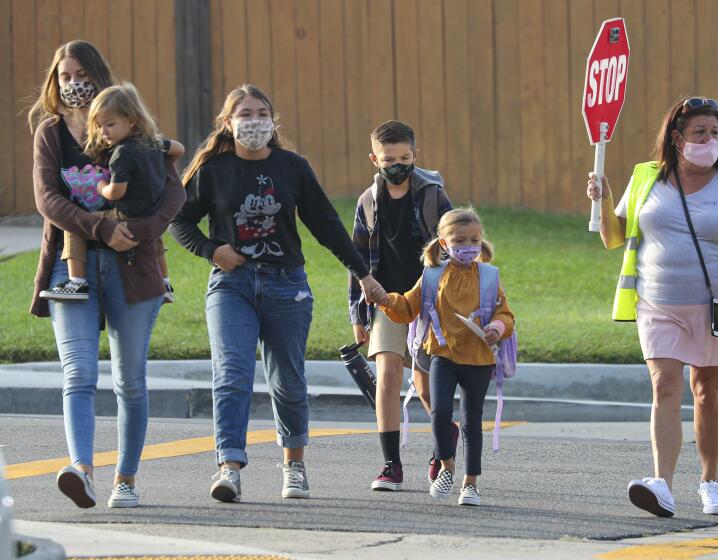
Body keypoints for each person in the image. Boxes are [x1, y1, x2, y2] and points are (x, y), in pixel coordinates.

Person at [170, 84, 387, 503]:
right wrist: (212, 250)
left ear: (273, 120)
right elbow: (179, 220)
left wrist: (364, 275)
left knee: (287, 381)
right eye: (245, 115)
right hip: (231, 285)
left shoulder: (293, 167)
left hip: (286, 284)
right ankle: (229, 467)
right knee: (231, 375)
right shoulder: (213, 169)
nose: (254, 122)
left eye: (261, 113)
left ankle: (294, 466)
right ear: (228, 123)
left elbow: (325, 224)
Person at [587, 97, 718, 518]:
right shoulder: (645, 179)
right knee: (664, 386)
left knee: (707, 392)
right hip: (657, 302)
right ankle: (662, 485)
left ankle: (710, 481)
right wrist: (604, 197)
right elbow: (613, 237)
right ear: (677, 138)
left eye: (714, 132)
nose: (709, 140)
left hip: (715, 306)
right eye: (699, 133)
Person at [28, 40, 186, 509]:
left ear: (99, 75)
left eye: (81, 74)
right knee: (77, 373)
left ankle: (126, 479)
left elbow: (173, 194)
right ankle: (81, 469)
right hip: (70, 263)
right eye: (64, 76)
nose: (74, 84)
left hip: (132, 265)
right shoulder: (50, 135)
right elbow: (47, 200)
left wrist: (134, 232)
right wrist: (100, 228)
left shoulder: (131, 129)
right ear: (55, 84)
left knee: (129, 379)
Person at [378, 208, 515, 506]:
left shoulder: (490, 276)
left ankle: (471, 483)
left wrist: (496, 327)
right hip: (442, 354)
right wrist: (385, 299)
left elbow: (506, 314)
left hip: (479, 359)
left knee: (472, 421)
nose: (468, 246)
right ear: (444, 243)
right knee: (439, 412)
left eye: (474, 240)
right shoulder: (433, 275)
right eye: (460, 240)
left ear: (481, 241)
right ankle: (447, 467)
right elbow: (408, 307)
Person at [349, 120, 453, 491]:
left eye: (404, 158)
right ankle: (391, 464)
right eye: (388, 159)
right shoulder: (367, 202)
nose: (397, 166)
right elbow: (357, 258)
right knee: (389, 373)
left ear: (415, 155)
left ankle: (445, 444)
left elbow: (456, 243)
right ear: (374, 159)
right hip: (387, 300)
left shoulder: (432, 195)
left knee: (425, 388)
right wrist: (357, 314)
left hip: (429, 300)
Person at [39, 83, 184, 303]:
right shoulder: (151, 142)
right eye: (98, 126)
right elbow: (179, 149)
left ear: (132, 121)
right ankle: (163, 283)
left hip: (127, 214)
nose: (103, 132)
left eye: (110, 124)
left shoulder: (121, 154)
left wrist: (100, 187)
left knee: (75, 224)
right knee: (155, 240)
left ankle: (76, 282)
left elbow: (116, 193)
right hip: (150, 211)